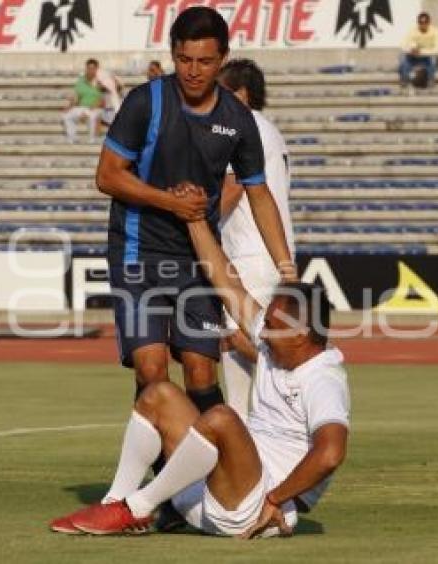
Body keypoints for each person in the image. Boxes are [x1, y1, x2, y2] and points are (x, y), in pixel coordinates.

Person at [50, 212, 349, 537]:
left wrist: (276, 499)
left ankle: (136, 508)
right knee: (157, 394)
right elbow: (225, 279)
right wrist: (194, 219)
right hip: (220, 492)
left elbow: (331, 454)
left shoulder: (323, 378)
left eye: (272, 329)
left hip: (260, 508)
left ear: (301, 334)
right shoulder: (278, 342)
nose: (261, 334)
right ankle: (115, 503)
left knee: (221, 418)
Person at [97, 6, 296, 437]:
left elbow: (258, 194)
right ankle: (162, 489)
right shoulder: (144, 102)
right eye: (184, 60)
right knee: (151, 370)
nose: (193, 71)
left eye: (204, 61)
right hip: (137, 254)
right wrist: (170, 203)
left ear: (222, 58)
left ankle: (218, 478)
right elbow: (108, 176)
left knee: (201, 373)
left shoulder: (237, 120)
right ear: (173, 54)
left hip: (198, 261)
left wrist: (287, 269)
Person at [217, 59, 295, 422]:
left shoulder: (241, 127)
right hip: (273, 254)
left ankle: (244, 460)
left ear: (241, 93)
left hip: (250, 255)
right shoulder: (271, 130)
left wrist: (188, 224)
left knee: (239, 354)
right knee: (262, 347)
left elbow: (231, 191)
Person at [62, 58, 103, 143]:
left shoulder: (101, 81)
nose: (90, 71)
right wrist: (69, 107)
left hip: (96, 108)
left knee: (91, 116)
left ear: (97, 69)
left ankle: (92, 139)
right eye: (88, 68)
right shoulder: (81, 80)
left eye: (93, 68)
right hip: (82, 107)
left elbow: (101, 100)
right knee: (66, 116)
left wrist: (87, 112)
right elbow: (77, 96)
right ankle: (72, 138)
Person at [399, 12, 438, 88]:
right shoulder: (413, 30)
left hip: (427, 57)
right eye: (421, 22)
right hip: (414, 57)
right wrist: (411, 49)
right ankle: (405, 79)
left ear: (429, 22)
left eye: (425, 22)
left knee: (433, 60)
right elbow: (403, 45)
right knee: (403, 59)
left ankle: (430, 79)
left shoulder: (435, 31)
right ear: (418, 23)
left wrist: (421, 51)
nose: (423, 24)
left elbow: (437, 49)